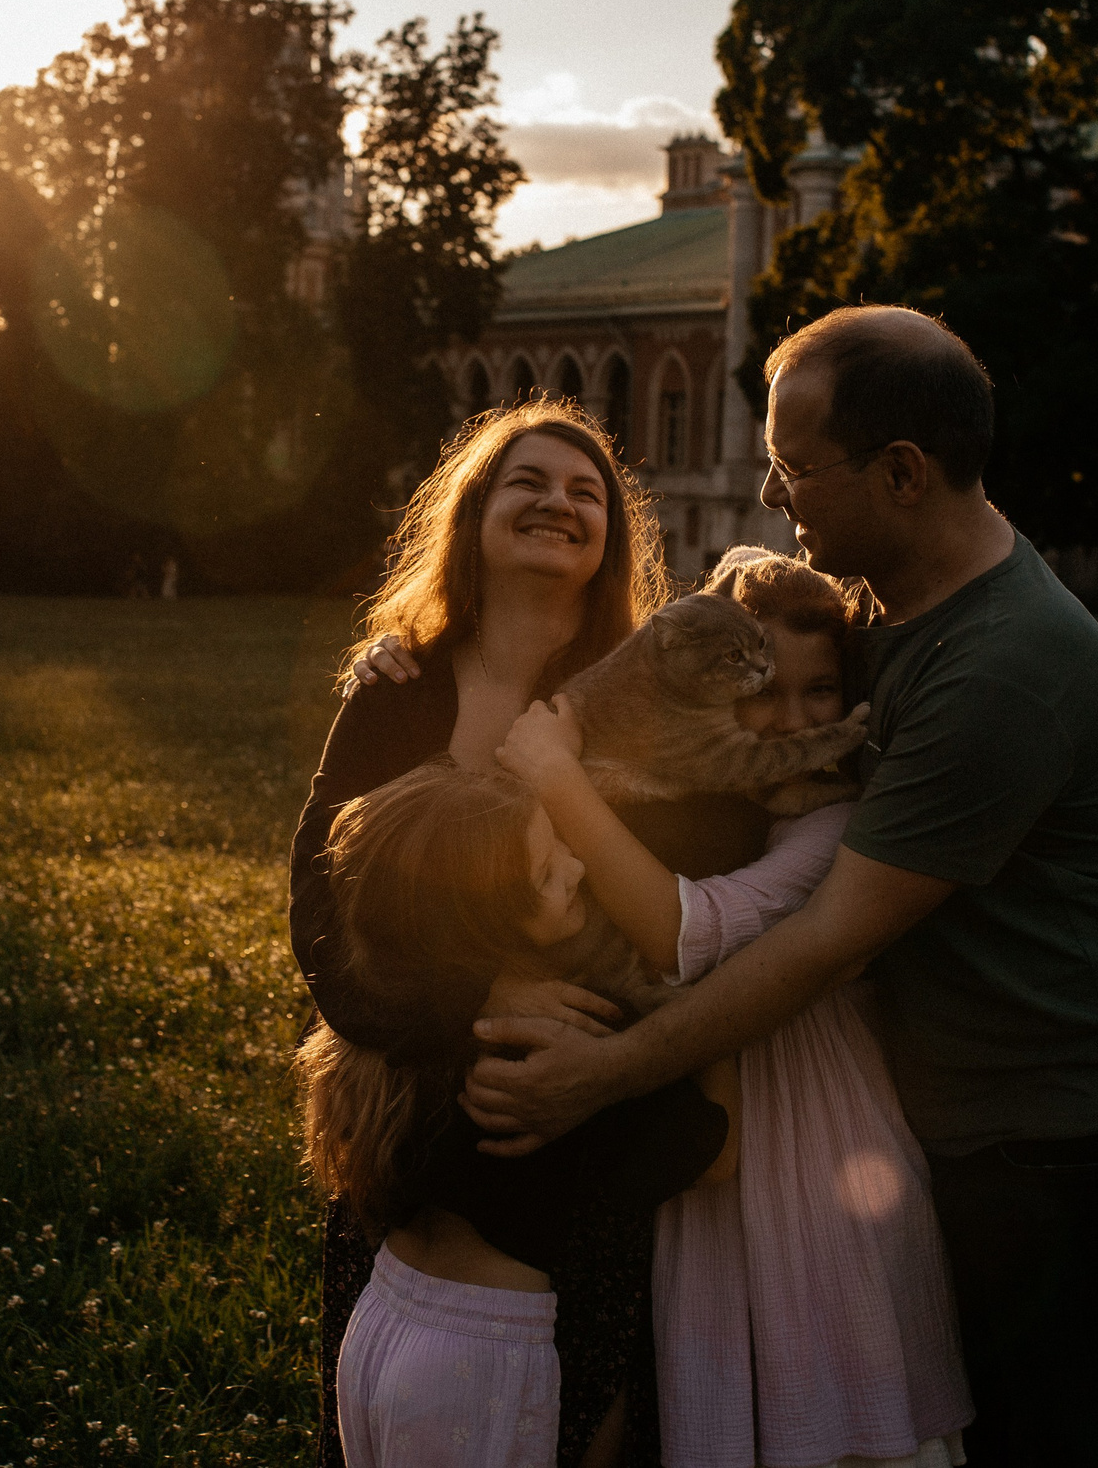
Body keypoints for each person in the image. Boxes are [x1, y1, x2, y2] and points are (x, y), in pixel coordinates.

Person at [464, 307, 1098, 1467]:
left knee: (1074, 1439)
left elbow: (824, 937)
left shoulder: (1002, 665)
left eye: (793, 469)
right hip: (982, 1119)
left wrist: (604, 1075)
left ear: (902, 472)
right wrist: (433, 657)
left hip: (1090, 1132)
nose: (776, 498)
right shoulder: (880, 603)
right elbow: (690, 656)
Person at [293, 397, 769, 1468]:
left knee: (569, 1417)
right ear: (472, 514)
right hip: (402, 1122)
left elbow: (709, 878)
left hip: (582, 1132)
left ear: (613, 538)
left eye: (586, 490)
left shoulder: (650, 697)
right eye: (528, 481)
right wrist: (471, 1006)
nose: (558, 501)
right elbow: (319, 911)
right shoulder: (396, 691)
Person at [495, 546, 971, 1468]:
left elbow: (695, 936)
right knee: (710, 1373)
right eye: (765, 691)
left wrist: (560, 777)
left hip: (817, 1121)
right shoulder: (714, 789)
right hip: (700, 1116)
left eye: (823, 691)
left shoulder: (836, 821)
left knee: (835, 1368)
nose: (789, 717)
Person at [299, 762, 731, 1468]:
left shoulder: (400, 1041)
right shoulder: (552, 1048)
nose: (577, 864)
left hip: (378, 1329)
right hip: (479, 1364)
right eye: (546, 872)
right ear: (485, 922)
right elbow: (717, 1151)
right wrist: (715, 1002)